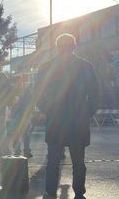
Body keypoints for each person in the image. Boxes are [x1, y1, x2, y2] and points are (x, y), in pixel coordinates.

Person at [35, 34, 99, 199]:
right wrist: (88, 111)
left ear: (73, 47)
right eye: (64, 46)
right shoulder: (85, 66)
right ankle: (76, 192)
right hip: (74, 119)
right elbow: (95, 93)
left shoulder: (47, 67)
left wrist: (47, 109)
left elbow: (37, 93)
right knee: (73, 161)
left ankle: (54, 192)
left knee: (57, 160)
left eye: (68, 46)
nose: (66, 49)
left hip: (60, 119)